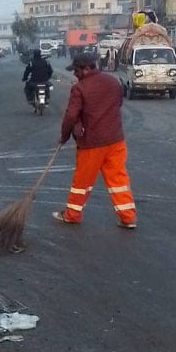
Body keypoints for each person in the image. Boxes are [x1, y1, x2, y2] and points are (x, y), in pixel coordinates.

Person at [54, 53, 137, 229]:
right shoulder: (113, 82)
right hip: (116, 140)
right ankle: (128, 217)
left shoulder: (80, 89)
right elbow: (118, 104)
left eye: (76, 70)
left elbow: (70, 115)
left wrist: (64, 136)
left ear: (86, 68)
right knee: (118, 180)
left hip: (92, 143)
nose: (74, 74)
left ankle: (72, 215)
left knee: (82, 182)